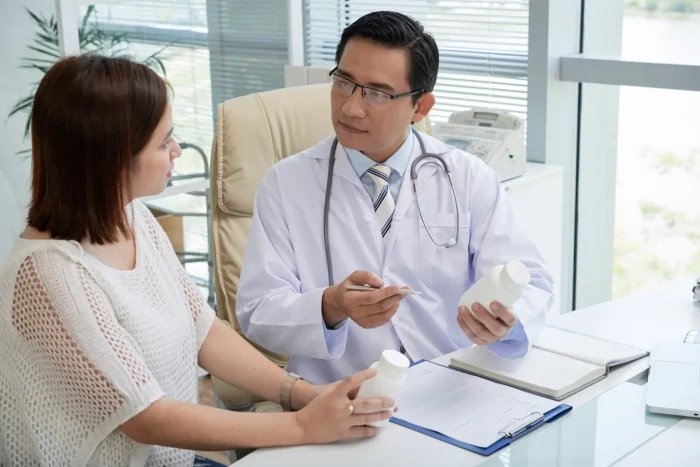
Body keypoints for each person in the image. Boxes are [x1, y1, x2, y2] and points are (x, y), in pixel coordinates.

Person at [0, 55, 395, 467]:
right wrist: (302, 427)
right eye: (163, 142)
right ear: (112, 159)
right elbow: (147, 417)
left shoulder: (132, 218)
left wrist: (300, 394)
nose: (176, 151)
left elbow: (201, 328)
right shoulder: (49, 275)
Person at [235, 11, 555, 385]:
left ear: (420, 107)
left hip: (451, 391)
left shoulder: (468, 177)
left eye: (377, 93)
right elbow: (257, 311)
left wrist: (506, 322)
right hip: (338, 397)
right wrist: (331, 306)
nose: (351, 107)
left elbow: (530, 281)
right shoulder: (286, 184)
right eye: (344, 82)